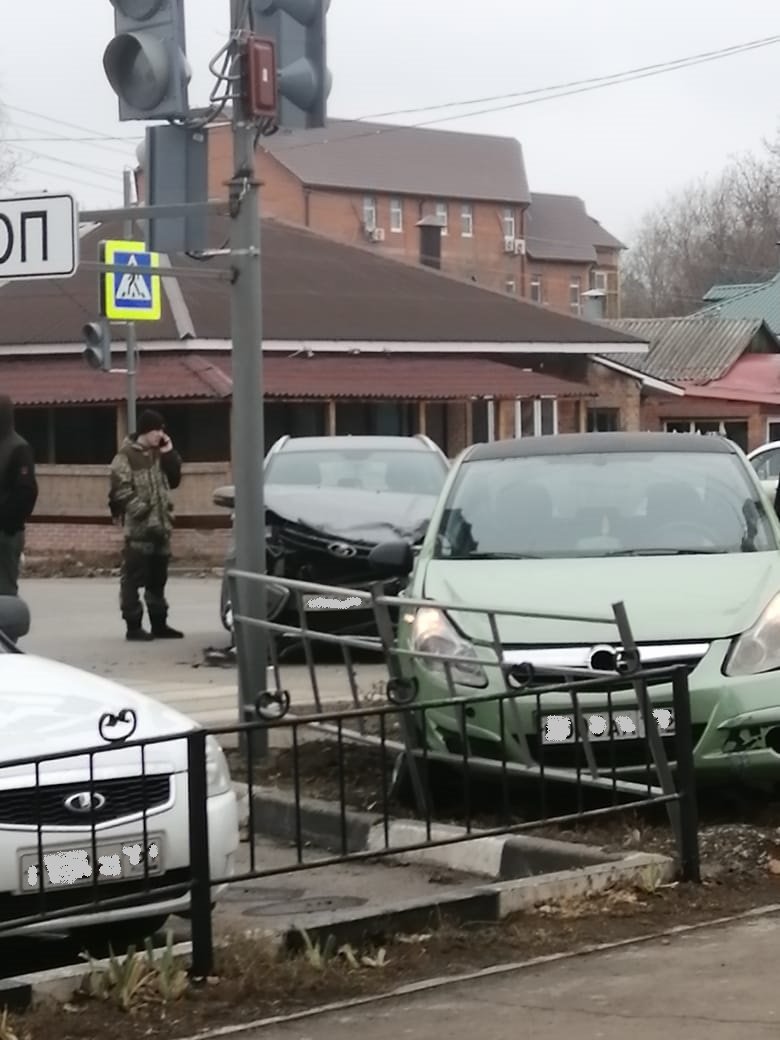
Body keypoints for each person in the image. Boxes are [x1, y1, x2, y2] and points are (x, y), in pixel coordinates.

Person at [109, 408, 184, 641]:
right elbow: (120, 491)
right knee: (132, 579)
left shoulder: (159, 454)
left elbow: (174, 480)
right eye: (157, 430)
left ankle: (159, 623)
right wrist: (141, 511)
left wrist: (169, 453)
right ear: (145, 431)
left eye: (162, 430)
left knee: (157, 580)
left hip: (161, 529)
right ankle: (133, 625)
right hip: (140, 531)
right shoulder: (126, 456)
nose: (160, 434)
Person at [0, 395, 38, 597]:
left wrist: (8, 523)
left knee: (4, 593)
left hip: (5, 535)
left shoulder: (18, 448)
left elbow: (26, 491)